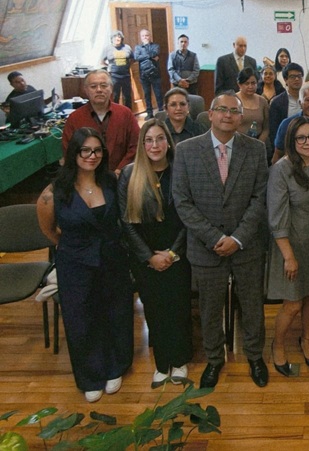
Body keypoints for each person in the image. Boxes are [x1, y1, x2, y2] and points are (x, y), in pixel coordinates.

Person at [172, 92, 269, 389]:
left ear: (241, 117)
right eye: (222, 109)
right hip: (206, 247)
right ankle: (214, 359)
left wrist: (238, 238)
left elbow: (260, 198)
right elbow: (182, 201)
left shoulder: (256, 149)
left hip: (246, 245)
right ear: (210, 114)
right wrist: (215, 237)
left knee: (252, 305)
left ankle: (255, 356)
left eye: (234, 111)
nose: (228, 115)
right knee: (210, 308)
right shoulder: (186, 150)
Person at [36, 127, 133, 402]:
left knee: (116, 312)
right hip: (75, 263)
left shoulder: (111, 181)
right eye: (86, 150)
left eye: (97, 150)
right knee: (81, 318)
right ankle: (91, 376)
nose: (92, 156)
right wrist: (73, 247)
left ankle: (116, 367)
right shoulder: (54, 192)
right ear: (74, 153)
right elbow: (49, 230)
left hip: (112, 258)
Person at [118, 119, 192, 387]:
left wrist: (172, 254)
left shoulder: (181, 170)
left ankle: (180, 360)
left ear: (168, 142)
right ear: (142, 144)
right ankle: (162, 362)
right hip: (145, 257)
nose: (155, 145)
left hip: (177, 253)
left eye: (160, 138)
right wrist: (149, 257)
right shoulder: (129, 174)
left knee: (178, 307)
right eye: (148, 140)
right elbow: (125, 222)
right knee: (154, 308)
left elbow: (189, 217)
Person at [268, 116, 309, 375]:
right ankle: (278, 345)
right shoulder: (281, 169)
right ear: (291, 141)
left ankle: (306, 340)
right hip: (291, 244)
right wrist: (288, 256)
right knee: (293, 303)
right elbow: (276, 217)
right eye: (301, 138)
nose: (308, 142)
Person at [62, 70, 140, 176]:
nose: (99, 90)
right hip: (87, 177)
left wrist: (120, 171)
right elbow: (69, 152)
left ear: (111, 88)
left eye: (104, 86)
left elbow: (136, 145)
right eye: (93, 86)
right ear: (85, 90)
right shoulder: (74, 118)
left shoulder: (125, 114)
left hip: (122, 175)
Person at [268, 63, 305, 145]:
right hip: (286, 143)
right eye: (292, 77)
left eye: (299, 76)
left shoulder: (308, 99)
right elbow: (274, 131)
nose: (296, 79)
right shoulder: (277, 102)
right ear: (285, 80)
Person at [235, 67, 271, 149]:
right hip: (237, 144)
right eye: (247, 83)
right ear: (239, 84)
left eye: (253, 83)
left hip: (259, 144)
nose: (250, 86)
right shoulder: (233, 100)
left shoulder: (263, 101)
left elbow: (266, 128)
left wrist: (258, 144)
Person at [133, 29, 164, 119]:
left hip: (155, 74)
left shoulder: (155, 46)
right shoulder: (138, 47)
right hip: (144, 75)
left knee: (158, 94)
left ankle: (161, 112)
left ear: (150, 36)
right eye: (143, 36)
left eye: (147, 35)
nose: (145, 37)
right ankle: (149, 113)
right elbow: (136, 57)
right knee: (147, 95)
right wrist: (150, 56)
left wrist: (146, 55)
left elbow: (155, 53)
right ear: (140, 37)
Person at [102, 31, 134, 109]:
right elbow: (102, 61)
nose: (117, 39)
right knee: (115, 96)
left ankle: (128, 113)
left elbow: (133, 59)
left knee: (127, 96)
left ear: (122, 39)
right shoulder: (108, 48)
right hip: (114, 76)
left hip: (126, 76)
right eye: (115, 37)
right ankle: (114, 113)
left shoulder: (127, 47)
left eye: (119, 37)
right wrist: (110, 66)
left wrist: (127, 66)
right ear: (112, 39)